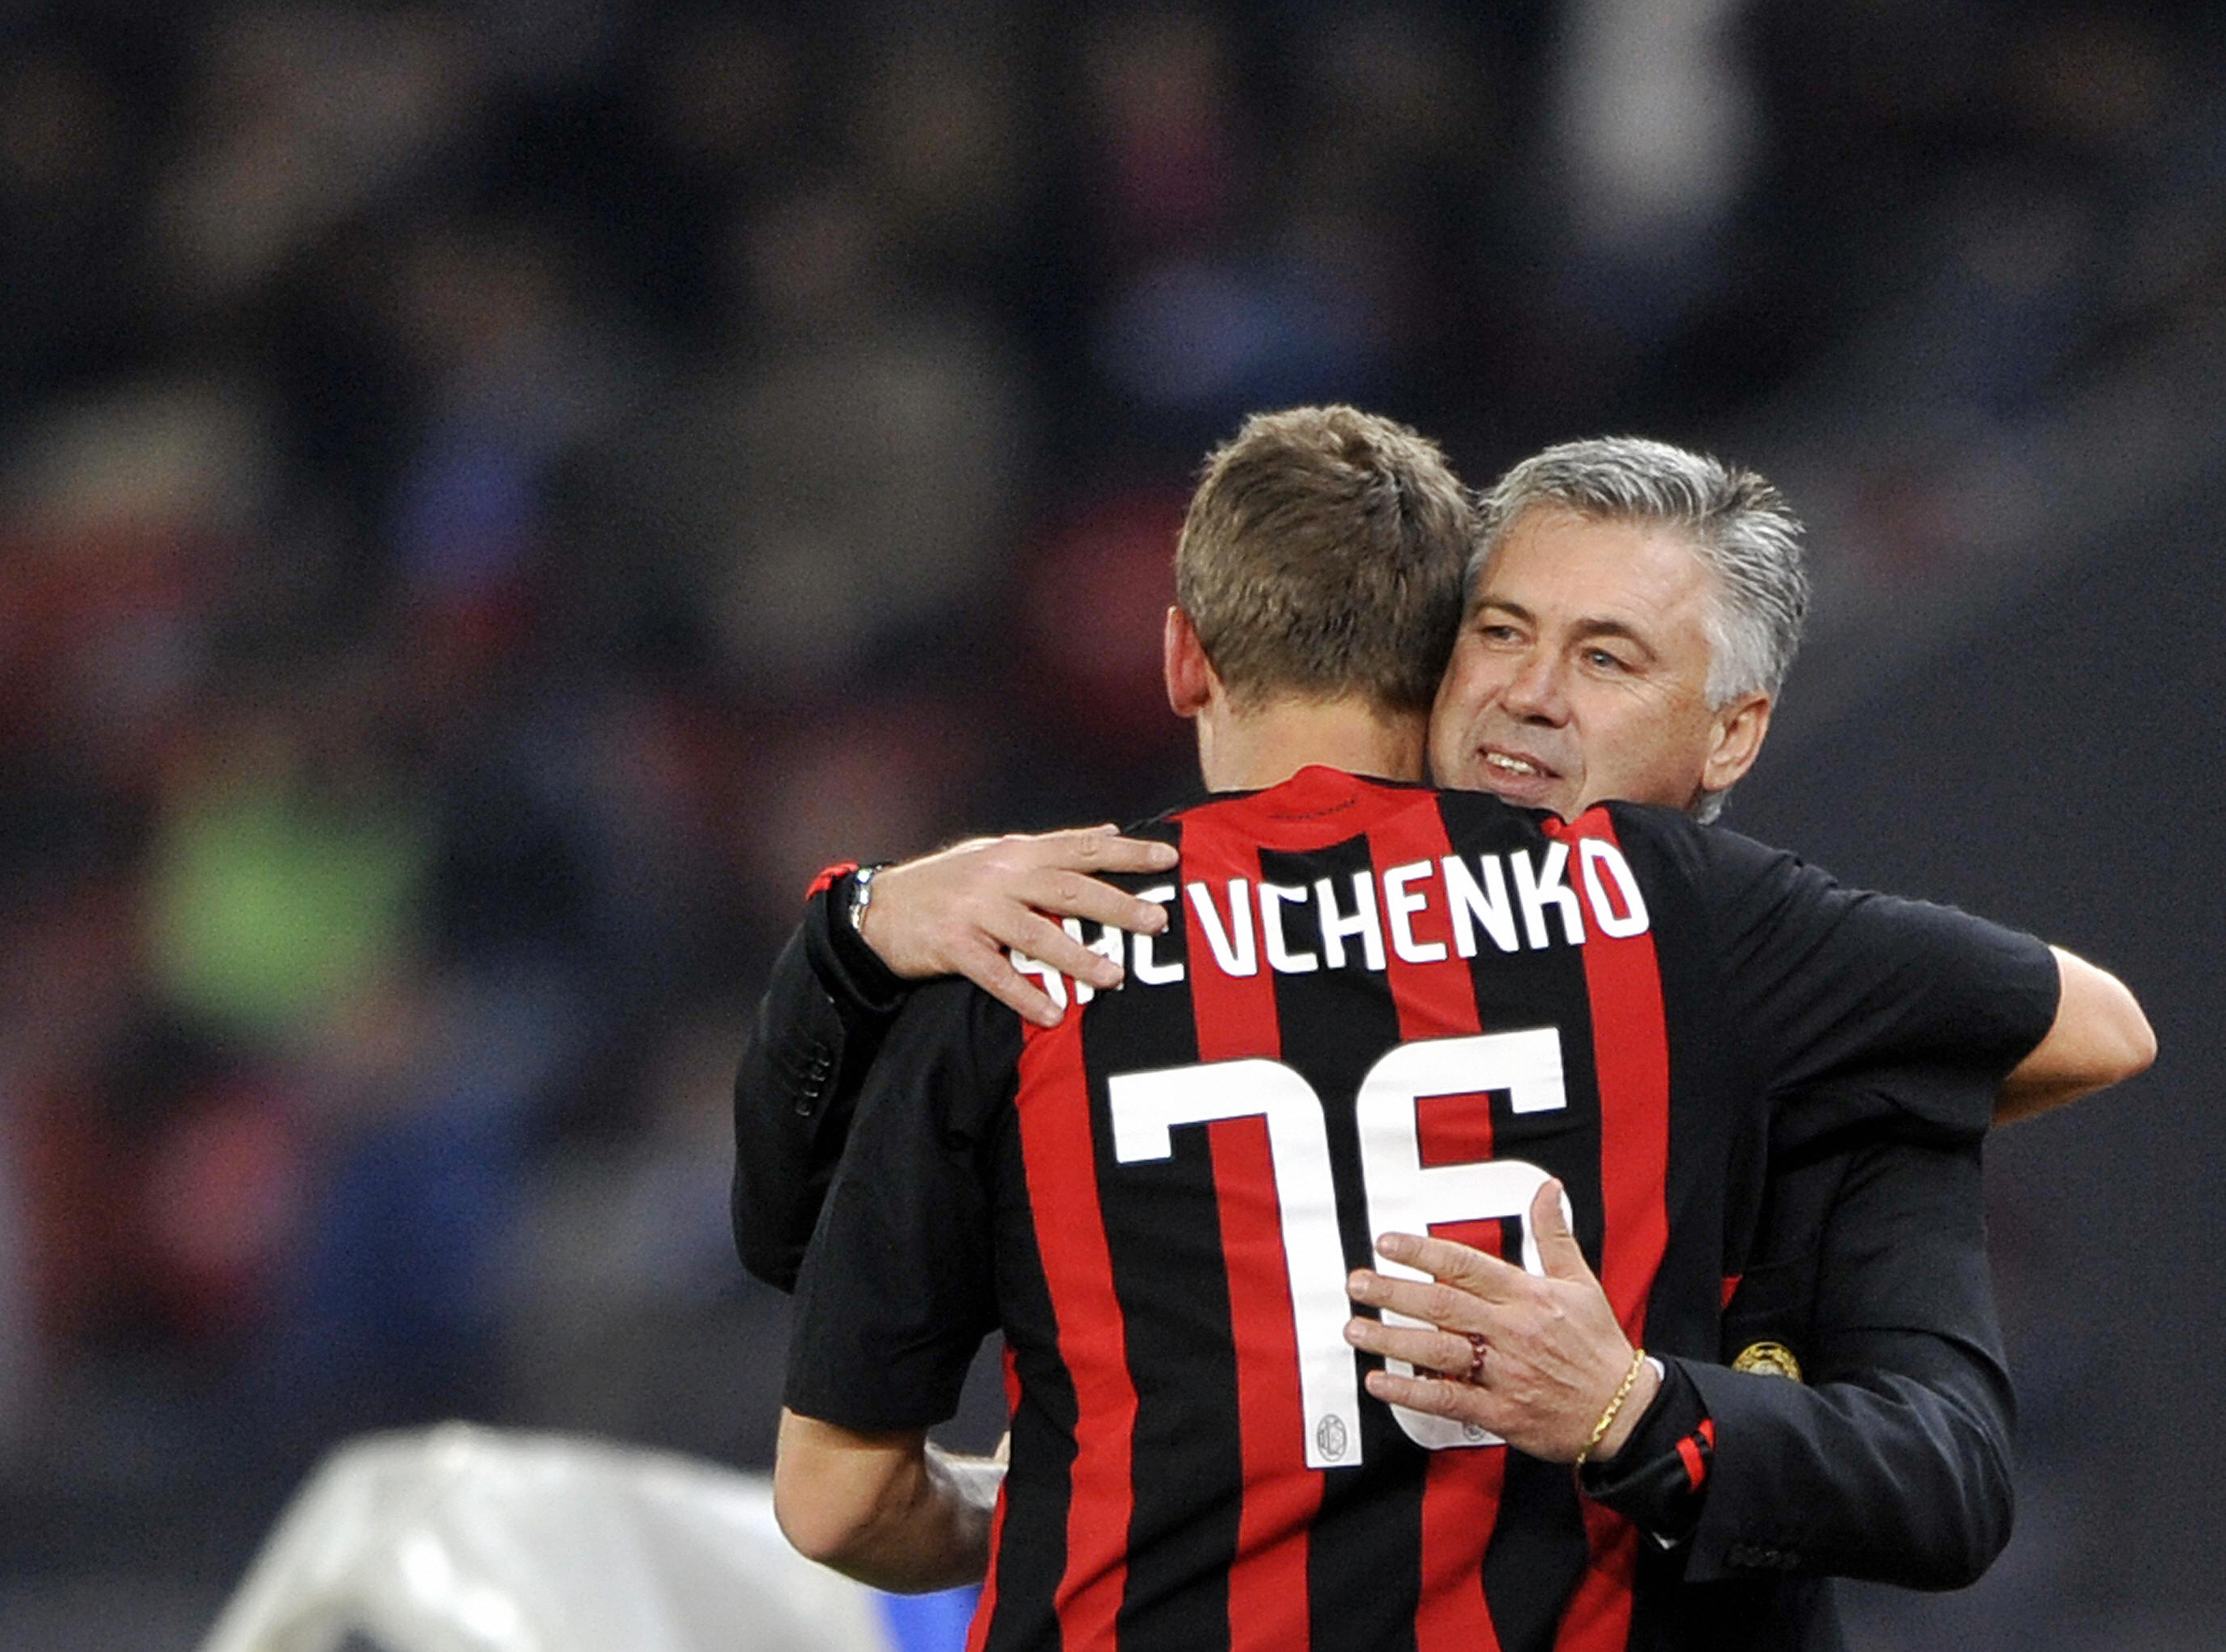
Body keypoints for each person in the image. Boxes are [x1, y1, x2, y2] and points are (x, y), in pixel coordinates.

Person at [755, 410, 2150, 1646]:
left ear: (1734, 734)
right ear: (1428, 654)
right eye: (1501, 631)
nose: (1532, 693)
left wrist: (1637, 1412)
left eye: (1606, 657)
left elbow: (1952, 1480)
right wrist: (859, 928)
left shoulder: (1804, 998)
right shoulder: (1047, 918)